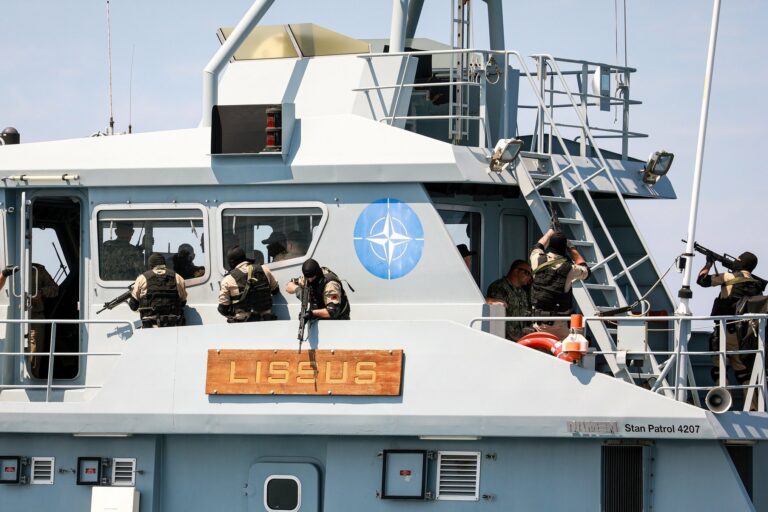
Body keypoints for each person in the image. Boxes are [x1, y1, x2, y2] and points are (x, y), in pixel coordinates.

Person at [697, 251, 764, 389]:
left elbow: (702, 280)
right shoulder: (757, 284)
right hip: (745, 335)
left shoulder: (728, 277)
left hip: (725, 332)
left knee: (719, 370)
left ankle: (722, 398)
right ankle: (753, 402)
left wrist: (709, 263)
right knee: (743, 373)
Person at [1, 264, 59, 378]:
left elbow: (55, 289)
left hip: (35, 316)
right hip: (11, 317)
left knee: (34, 352)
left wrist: (41, 292)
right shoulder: (5, 271)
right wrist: (4, 274)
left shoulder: (38, 270)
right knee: (8, 350)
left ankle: (33, 377)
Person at [529, 228, 589, 339]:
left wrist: (550, 231)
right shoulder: (570, 269)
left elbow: (537, 246)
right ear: (564, 248)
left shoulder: (537, 259)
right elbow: (586, 271)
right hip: (560, 326)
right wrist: (572, 248)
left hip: (538, 324)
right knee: (581, 339)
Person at [218, 246, 278, 322]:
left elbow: (223, 309)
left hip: (243, 323)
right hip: (266, 321)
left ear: (230, 263)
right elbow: (275, 290)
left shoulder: (227, 280)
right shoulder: (264, 269)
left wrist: (234, 313)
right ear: (244, 258)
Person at [128, 253, 187, 328]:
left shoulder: (142, 278)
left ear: (150, 265)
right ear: (164, 264)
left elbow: (133, 306)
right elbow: (183, 302)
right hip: (174, 327)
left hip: (150, 328)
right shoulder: (177, 277)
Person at [285, 259, 350, 320]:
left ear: (317, 273)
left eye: (312, 277)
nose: (310, 280)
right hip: (319, 316)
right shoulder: (308, 277)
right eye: (307, 278)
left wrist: (312, 313)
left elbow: (333, 311)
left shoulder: (330, 285)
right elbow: (288, 285)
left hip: (338, 320)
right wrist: (297, 289)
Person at [486, 260, 533, 341]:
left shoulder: (523, 292)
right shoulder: (499, 287)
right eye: (527, 273)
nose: (529, 277)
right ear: (516, 271)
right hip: (506, 340)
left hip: (522, 339)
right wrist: (518, 338)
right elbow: (500, 318)